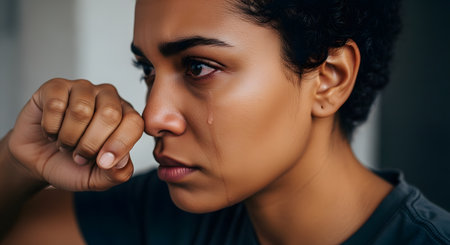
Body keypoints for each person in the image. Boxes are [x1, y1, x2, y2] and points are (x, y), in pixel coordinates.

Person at [1, 0, 450, 244]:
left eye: (199, 67)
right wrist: (19, 161)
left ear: (328, 79)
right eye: (148, 71)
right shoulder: (151, 213)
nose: (152, 116)